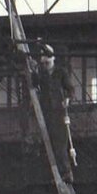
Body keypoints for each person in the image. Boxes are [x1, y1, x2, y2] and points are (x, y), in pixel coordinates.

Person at [34, 44, 75, 184]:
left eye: (48, 63)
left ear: (53, 59)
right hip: (47, 112)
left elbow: (70, 89)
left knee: (61, 144)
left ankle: (67, 173)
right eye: (44, 63)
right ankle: (56, 174)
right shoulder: (42, 73)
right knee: (49, 144)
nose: (46, 65)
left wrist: (67, 100)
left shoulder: (61, 72)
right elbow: (34, 83)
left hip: (59, 112)